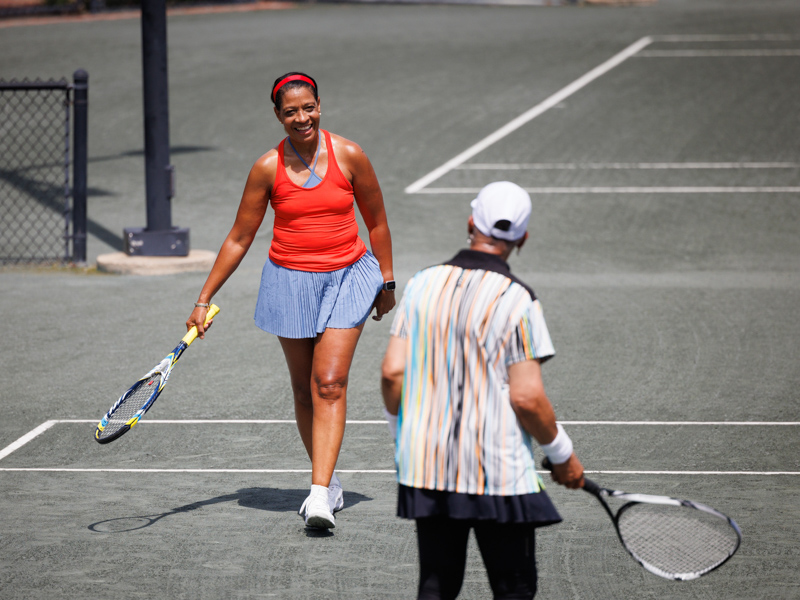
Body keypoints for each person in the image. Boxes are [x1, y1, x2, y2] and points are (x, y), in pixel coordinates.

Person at [187, 72, 395, 530]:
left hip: (349, 277)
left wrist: (387, 282)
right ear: (278, 115)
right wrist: (204, 299)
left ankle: (318, 495)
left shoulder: (350, 155)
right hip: (289, 282)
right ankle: (331, 481)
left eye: (308, 108)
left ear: (320, 105)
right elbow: (241, 238)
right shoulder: (266, 168)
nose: (302, 118)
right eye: (290, 111)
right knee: (304, 390)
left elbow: (376, 222)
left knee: (329, 382)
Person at [380, 181, 584, 599]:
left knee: (435, 587)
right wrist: (562, 455)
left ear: (471, 222)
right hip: (499, 474)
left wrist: (404, 437)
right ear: (522, 239)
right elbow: (527, 397)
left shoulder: (421, 284)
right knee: (514, 590)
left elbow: (392, 375)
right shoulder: (519, 299)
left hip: (428, 467)